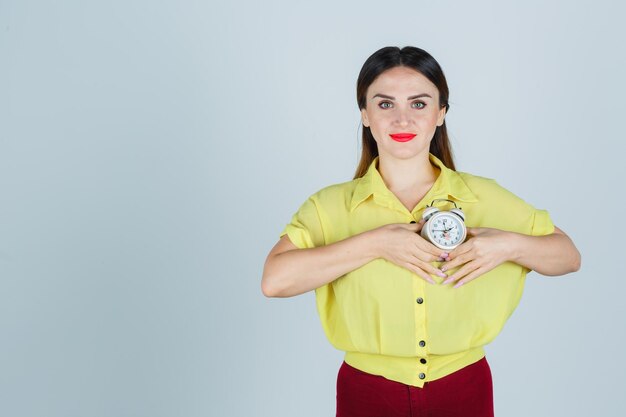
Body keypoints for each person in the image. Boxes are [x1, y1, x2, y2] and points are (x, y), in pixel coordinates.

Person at [261, 46, 581, 417]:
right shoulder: (329, 206)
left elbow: (568, 256)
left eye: (418, 104)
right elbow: (274, 281)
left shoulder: (483, 196)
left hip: (464, 384)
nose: (402, 120)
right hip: (367, 389)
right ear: (364, 114)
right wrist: (375, 243)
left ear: (440, 113)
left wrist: (507, 246)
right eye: (384, 105)